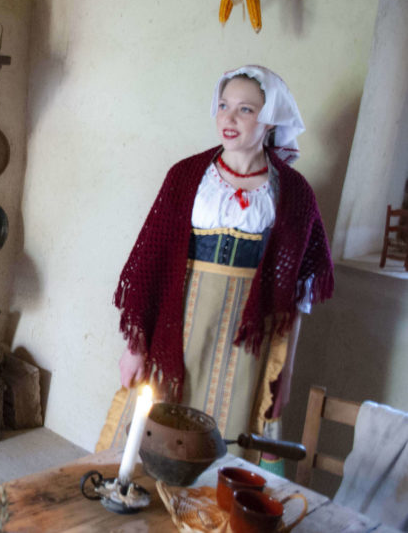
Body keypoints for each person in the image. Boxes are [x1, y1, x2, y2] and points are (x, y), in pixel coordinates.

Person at [96, 65, 334, 470]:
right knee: (154, 434)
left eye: (245, 109)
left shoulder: (293, 194)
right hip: (181, 330)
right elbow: (152, 268)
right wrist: (135, 348)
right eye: (224, 105)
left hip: (247, 348)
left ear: (270, 119)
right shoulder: (187, 177)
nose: (229, 117)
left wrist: (285, 372)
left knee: (228, 444)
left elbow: (295, 296)